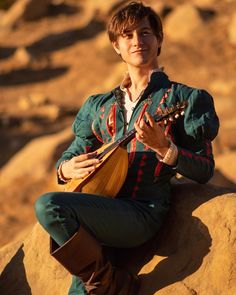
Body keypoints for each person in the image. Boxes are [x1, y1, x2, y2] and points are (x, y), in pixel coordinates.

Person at [34, 2, 219, 295]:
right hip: (100, 204)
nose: (137, 41)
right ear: (116, 46)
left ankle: (110, 283)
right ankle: (108, 282)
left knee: (48, 206)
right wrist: (67, 167)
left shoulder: (185, 98)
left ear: (159, 40)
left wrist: (165, 148)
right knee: (82, 290)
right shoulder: (100, 105)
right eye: (128, 35)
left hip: (142, 211)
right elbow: (73, 152)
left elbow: (205, 168)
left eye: (145, 32)